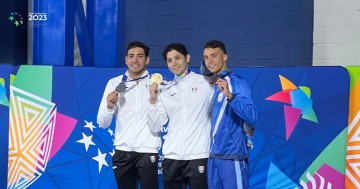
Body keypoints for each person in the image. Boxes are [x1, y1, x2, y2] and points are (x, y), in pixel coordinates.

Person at [148, 43, 213, 189]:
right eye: (170, 60)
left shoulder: (206, 83)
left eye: (177, 58)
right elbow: (155, 126)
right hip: (172, 158)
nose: (174, 63)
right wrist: (153, 100)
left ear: (187, 58)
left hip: (198, 156)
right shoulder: (165, 88)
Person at [97, 41, 160, 189]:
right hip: (122, 151)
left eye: (140, 56)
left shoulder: (156, 85)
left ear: (147, 60)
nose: (135, 60)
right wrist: (109, 106)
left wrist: (153, 98)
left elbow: (158, 123)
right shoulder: (114, 83)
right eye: (131, 56)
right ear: (126, 60)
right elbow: (102, 123)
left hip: (147, 151)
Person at [202, 40, 257, 189]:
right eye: (206, 57)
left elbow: (252, 116)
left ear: (224, 57)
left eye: (214, 56)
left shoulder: (236, 81)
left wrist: (230, 96)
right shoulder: (211, 83)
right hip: (214, 155)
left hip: (233, 156)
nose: (209, 61)